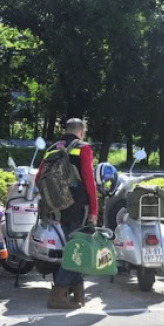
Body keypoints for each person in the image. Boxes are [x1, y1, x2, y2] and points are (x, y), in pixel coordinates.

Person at [36, 118, 98, 309]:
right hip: (77, 207)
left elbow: (38, 178)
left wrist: (54, 199)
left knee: (70, 248)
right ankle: (58, 295)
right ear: (81, 131)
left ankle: (78, 293)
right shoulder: (84, 148)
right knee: (77, 249)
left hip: (55, 207)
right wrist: (94, 210)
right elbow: (89, 180)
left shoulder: (53, 148)